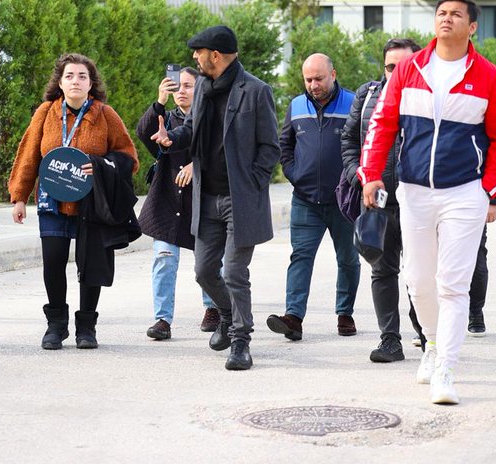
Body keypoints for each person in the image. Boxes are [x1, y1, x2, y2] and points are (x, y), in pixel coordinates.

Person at [359, 0, 496, 405]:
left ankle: (446, 367)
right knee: (418, 280)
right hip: (414, 190)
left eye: (456, 14)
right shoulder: (410, 68)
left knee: (453, 284)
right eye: (441, 13)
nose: (447, 19)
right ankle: (430, 343)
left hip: (465, 192)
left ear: (472, 26)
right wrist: (371, 174)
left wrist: (490, 190)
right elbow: (382, 124)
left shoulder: (488, 76)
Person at [150, 25, 279, 371]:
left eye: (199, 52)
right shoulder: (204, 88)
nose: (195, 57)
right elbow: (191, 129)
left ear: (216, 55)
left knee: (234, 272)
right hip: (206, 197)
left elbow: (271, 147)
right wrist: (171, 138)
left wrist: (253, 183)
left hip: (240, 200)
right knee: (205, 271)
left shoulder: (256, 91)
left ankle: (241, 340)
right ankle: (226, 314)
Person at [8, 53, 139, 351]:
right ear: (60, 82)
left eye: (82, 76)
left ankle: (87, 328)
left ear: (91, 83)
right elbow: (29, 155)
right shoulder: (45, 112)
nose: (75, 81)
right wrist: (19, 197)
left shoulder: (106, 114)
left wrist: (100, 164)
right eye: (69, 76)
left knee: (90, 264)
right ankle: (56, 326)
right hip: (52, 202)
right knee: (53, 262)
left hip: (91, 204)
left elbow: (129, 157)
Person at [340, 37, 424, 363]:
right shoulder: (368, 96)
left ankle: (428, 334)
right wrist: (359, 176)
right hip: (379, 202)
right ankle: (390, 340)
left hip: (419, 202)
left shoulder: (431, 97)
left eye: (404, 66)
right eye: (391, 67)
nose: (396, 73)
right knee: (382, 270)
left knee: (421, 275)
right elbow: (350, 140)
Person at [267, 53, 359, 340]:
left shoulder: (353, 103)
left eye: (319, 78)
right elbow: (285, 145)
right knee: (301, 257)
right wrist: (294, 173)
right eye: (308, 79)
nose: (313, 85)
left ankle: (345, 314)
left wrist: (354, 179)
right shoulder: (296, 106)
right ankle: (293, 318)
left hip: (344, 199)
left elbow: (364, 144)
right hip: (305, 200)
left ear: (333, 74)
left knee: (348, 259)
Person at [135, 67, 220, 340]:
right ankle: (162, 319)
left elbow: (223, 152)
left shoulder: (211, 118)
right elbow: (144, 133)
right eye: (177, 85)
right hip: (167, 202)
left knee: (207, 263)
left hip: (202, 203)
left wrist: (198, 165)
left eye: (188, 85)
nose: (181, 91)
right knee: (164, 259)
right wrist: (159, 101)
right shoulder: (166, 118)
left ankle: (213, 308)